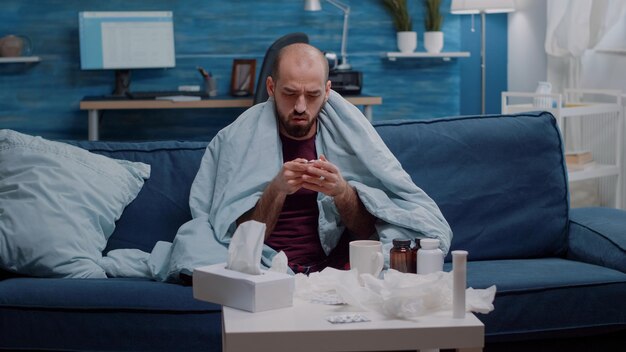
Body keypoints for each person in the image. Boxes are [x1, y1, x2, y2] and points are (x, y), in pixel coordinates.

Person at [236, 43, 376, 274]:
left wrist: (342, 192)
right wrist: (276, 190)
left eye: (313, 95)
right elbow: (238, 240)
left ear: (327, 91)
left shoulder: (348, 138)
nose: (301, 107)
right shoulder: (242, 138)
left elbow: (368, 233)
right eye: (290, 94)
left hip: (334, 270)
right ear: (271, 87)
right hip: (267, 269)